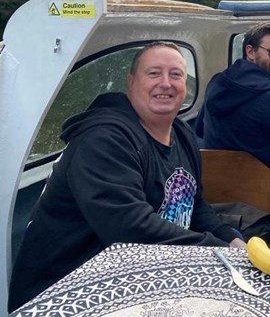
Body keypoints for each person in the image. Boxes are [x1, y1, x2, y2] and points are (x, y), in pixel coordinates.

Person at [8, 41, 245, 313]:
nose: (166, 83)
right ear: (131, 82)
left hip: (141, 272)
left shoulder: (182, 134)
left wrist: (230, 239)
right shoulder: (104, 140)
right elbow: (131, 227)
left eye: (176, 74)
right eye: (154, 73)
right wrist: (218, 251)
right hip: (69, 291)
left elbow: (195, 203)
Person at [195, 22, 270, 167]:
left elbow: (199, 129)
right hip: (260, 186)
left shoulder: (217, 83)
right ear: (250, 52)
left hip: (218, 183)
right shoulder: (266, 97)